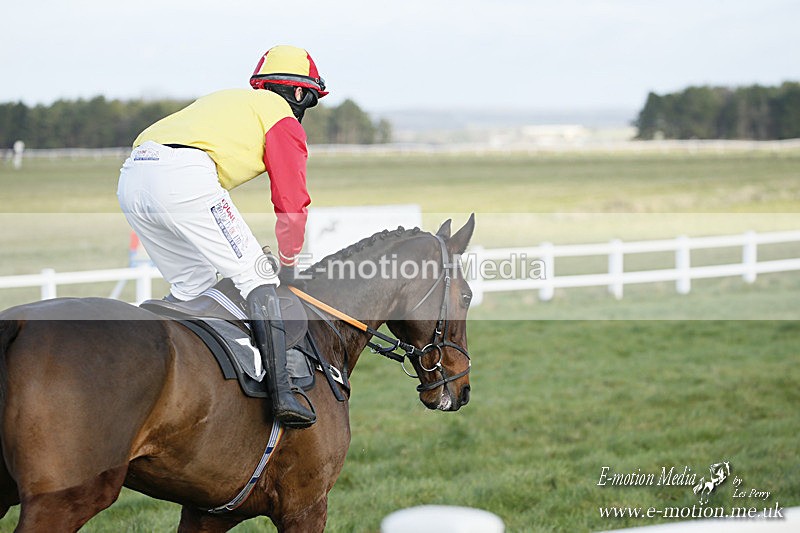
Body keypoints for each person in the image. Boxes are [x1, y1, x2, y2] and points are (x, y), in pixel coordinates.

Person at [117, 45, 327, 429]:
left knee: (192, 286)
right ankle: (283, 396)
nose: (303, 112)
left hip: (132, 176)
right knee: (258, 278)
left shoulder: (230, 100)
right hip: (182, 176)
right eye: (308, 101)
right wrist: (289, 263)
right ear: (299, 93)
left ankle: (180, 379)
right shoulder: (283, 119)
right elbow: (291, 200)